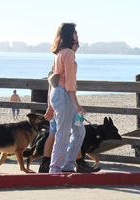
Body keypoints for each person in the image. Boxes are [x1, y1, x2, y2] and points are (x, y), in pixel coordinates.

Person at [44, 23, 88, 173]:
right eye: (76, 35)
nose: (77, 38)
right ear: (70, 35)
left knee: (79, 130)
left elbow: (52, 79)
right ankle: (55, 168)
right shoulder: (68, 53)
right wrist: (77, 106)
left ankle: (68, 164)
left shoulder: (59, 53)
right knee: (63, 133)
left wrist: (50, 107)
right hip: (65, 96)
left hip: (59, 94)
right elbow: (69, 81)